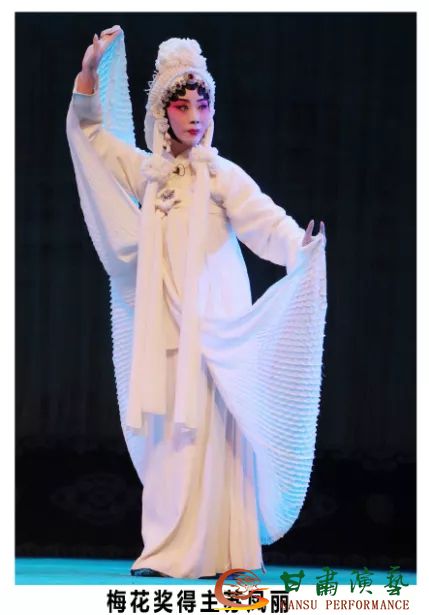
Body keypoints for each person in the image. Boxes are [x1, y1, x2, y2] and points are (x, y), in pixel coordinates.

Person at [66, 25, 328, 579]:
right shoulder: (148, 172)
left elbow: (265, 221)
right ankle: (165, 552)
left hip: (214, 330)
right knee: (170, 440)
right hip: (165, 328)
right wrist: (89, 73)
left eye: (201, 105)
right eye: (182, 106)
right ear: (163, 113)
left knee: (217, 439)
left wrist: (299, 247)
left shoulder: (220, 174)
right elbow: (90, 135)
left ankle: (229, 553)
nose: (193, 117)